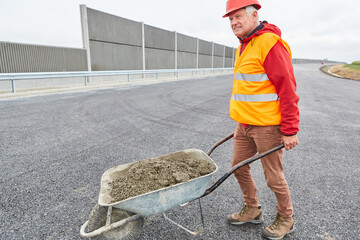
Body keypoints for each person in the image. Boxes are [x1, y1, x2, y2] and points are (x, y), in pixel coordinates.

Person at [223, 0, 300, 239]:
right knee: (238, 167)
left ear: (254, 16)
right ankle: (253, 209)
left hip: (267, 127)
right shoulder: (243, 46)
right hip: (244, 124)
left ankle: (286, 218)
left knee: (273, 178)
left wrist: (290, 130)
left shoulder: (269, 44)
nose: (234, 22)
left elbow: (287, 89)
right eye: (230, 18)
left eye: (238, 16)